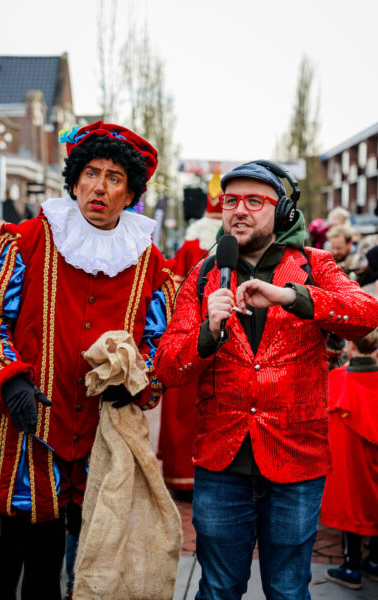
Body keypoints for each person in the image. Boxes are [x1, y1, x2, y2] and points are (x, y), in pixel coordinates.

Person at [154, 160, 378, 600]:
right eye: (231, 200)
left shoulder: (315, 265)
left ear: (282, 212)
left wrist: (293, 297)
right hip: (221, 465)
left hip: (297, 463)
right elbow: (166, 367)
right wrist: (207, 333)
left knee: (288, 589)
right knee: (218, 589)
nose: (239, 210)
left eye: (255, 201)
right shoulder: (203, 274)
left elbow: (366, 315)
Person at [0, 120, 174, 600]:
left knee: (96, 559)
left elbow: (160, 343)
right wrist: (9, 378)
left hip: (104, 435)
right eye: (91, 173)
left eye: (114, 178)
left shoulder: (149, 263)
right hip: (30, 426)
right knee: (25, 561)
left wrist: (134, 378)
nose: (99, 187)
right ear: (75, 180)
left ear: (130, 193)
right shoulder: (28, 240)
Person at [158, 172, 222, 493]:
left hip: (190, 332)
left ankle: (182, 474)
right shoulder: (234, 244)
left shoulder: (189, 245)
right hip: (215, 334)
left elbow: (172, 297)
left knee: (185, 407)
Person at [321, 330, 378, 590]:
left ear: (350, 347)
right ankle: (374, 561)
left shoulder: (337, 380)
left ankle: (350, 566)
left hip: (350, 465)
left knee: (351, 508)